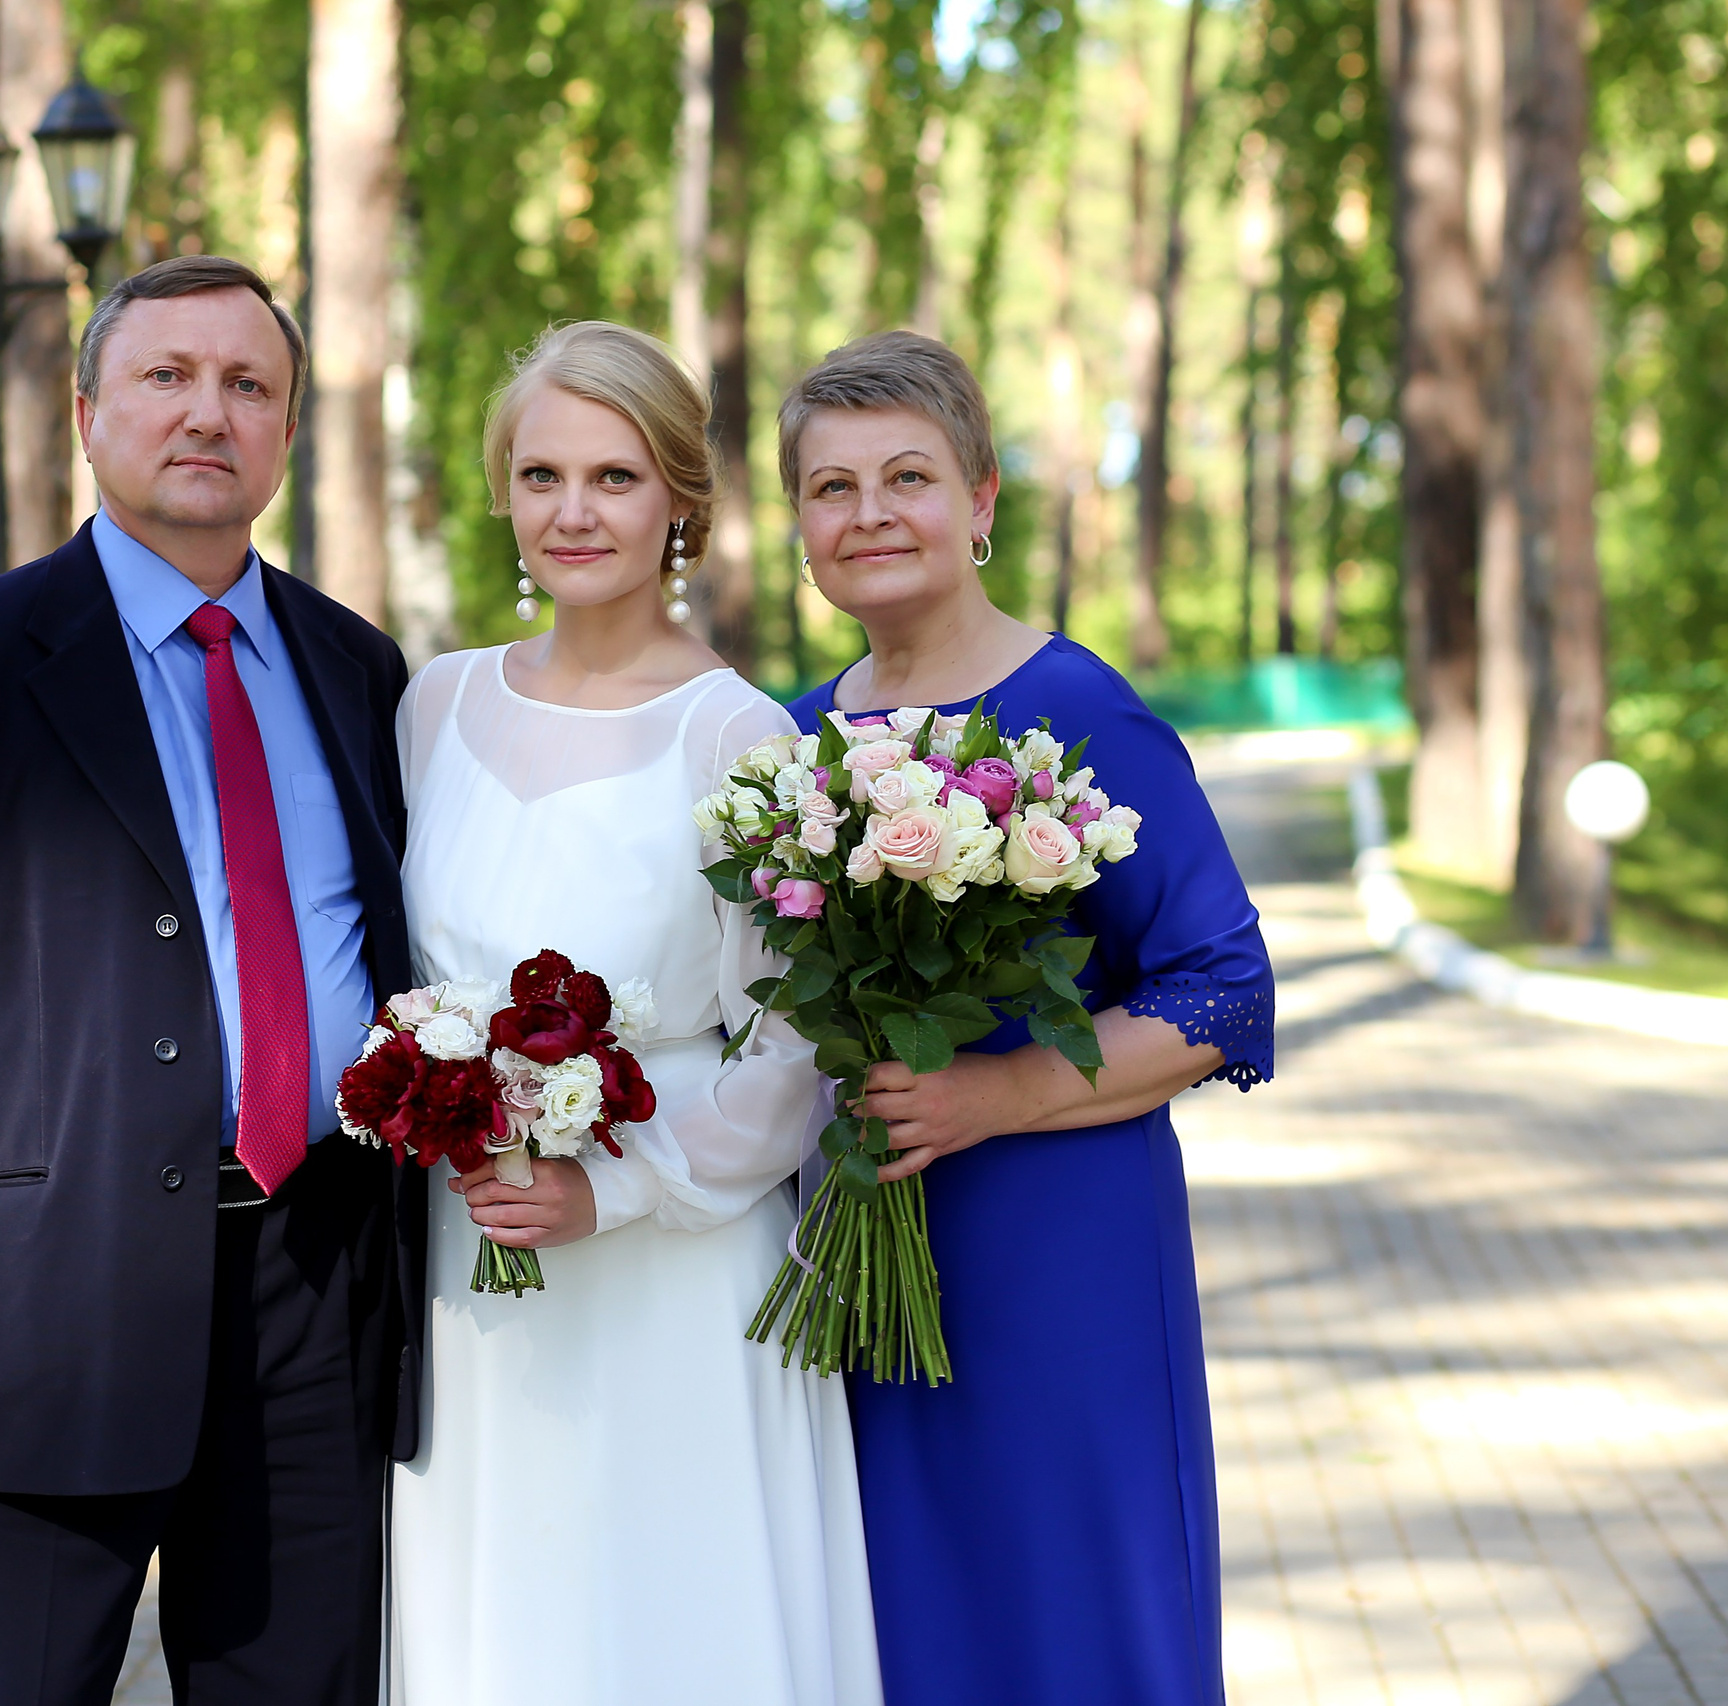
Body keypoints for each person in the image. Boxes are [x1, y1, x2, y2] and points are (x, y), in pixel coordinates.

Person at [0, 254, 422, 1706]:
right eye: (167, 376)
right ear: (88, 414)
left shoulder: (360, 669)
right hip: (47, 1313)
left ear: (286, 431)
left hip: (319, 1294)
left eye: (248, 384)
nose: (209, 412)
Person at [777, 329, 1274, 1705]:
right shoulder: (789, 740)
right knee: (899, 1621)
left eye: (909, 476)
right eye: (831, 487)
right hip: (868, 1249)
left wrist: (995, 1095)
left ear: (982, 497)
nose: (870, 513)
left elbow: (1222, 988)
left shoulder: (1075, 709)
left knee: (1071, 1613)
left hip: (1061, 1247)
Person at [388, 321, 879, 1706]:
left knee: (672, 1624)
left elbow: (794, 1044)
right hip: (476, 1257)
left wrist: (609, 1186)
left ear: (678, 498)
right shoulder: (434, 705)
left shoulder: (738, 734)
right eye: (541, 475)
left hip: (673, 1256)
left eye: (613, 476)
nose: (574, 511)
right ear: (504, 495)